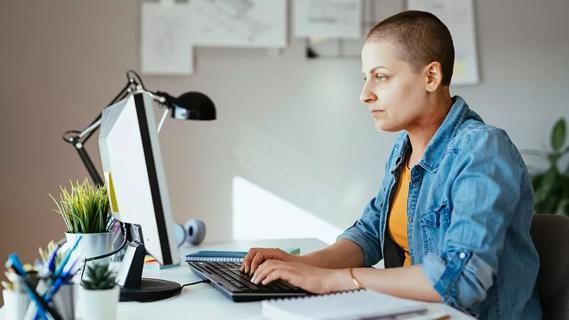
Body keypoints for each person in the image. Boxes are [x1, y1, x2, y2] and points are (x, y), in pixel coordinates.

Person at [240, 10, 541, 319]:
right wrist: (301, 264)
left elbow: (461, 278)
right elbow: (370, 234)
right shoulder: (405, 148)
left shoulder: (483, 150)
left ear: (430, 77)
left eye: (380, 76)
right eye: (365, 78)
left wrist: (341, 280)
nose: (364, 94)